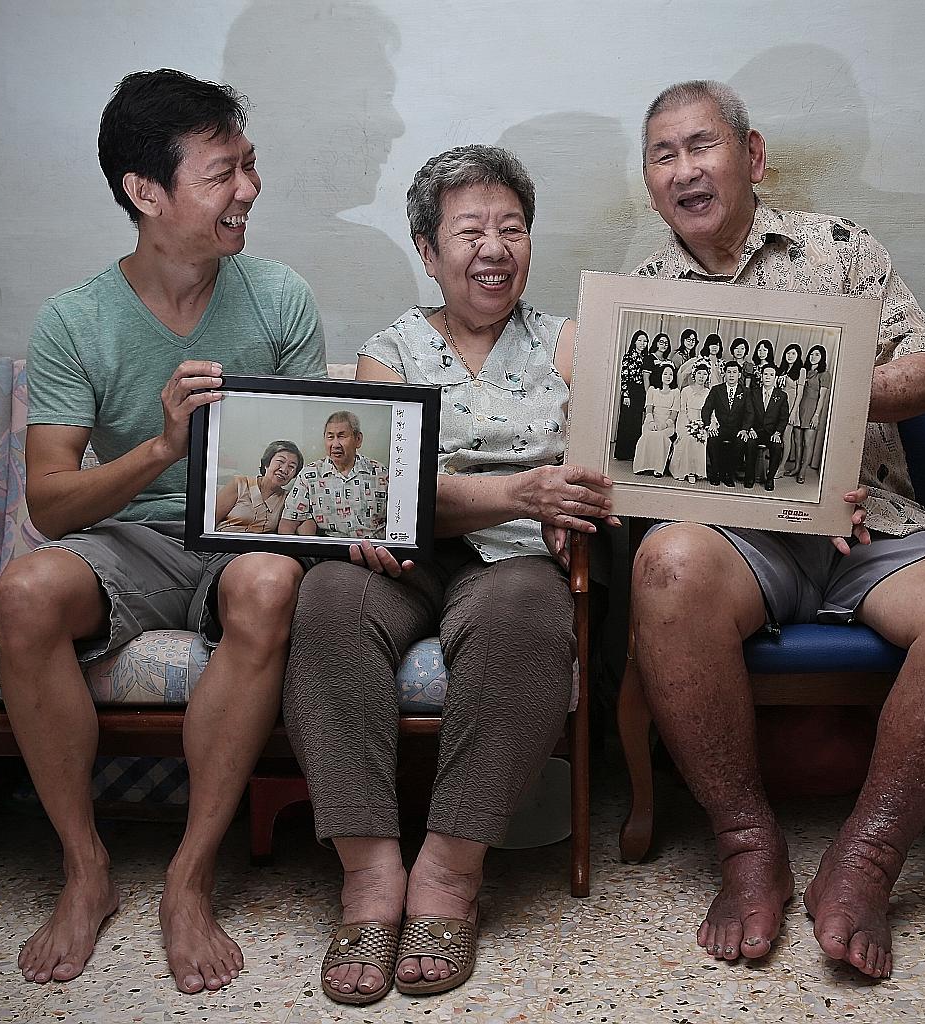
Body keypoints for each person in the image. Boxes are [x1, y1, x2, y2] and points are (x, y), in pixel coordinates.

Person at [631, 79, 925, 980]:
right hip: (736, 541)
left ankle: (869, 855)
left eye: (702, 145)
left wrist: (838, 393)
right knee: (664, 564)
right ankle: (746, 845)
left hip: (870, 523)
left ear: (753, 156)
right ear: (649, 184)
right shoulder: (642, 297)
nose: (685, 170)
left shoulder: (837, 247)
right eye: (663, 155)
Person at [0, 69, 325, 993]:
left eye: (249, 165)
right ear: (146, 192)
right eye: (222, 174)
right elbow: (50, 505)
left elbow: (309, 475)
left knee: (270, 582)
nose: (249, 189)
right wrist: (162, 448)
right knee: (25, 591)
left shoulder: (280, 297)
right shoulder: (75, 320)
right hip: (130, 540)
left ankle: (189, 876)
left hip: (243, 538)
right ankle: (85, 867)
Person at [283, 144, 614, 1006]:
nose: (494, 248)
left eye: (513, 229)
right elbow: (392, 491)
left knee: (524, 614)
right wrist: (518, 488)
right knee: (328, 598)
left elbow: (603, 465)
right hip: (406, 556)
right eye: (470, 232)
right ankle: (368, 876)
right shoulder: (388, 351)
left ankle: (447, 876)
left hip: (521, 557)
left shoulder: (569, 344)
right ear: (429, 252)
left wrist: (573, 499)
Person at [278, 410, 389, 540]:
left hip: (375, 547)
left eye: (341, 436)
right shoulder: (310, 475)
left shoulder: (380, 472)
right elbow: (288, 523)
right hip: (331, 549)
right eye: (330, 437)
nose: (335, 445)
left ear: (358, 440)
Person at [214, 439, 303, 533]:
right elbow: (210, 520)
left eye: (291, 467)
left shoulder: (288, 499)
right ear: (267, 463)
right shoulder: (239, 484)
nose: (284, 470)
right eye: (280, 461)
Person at [736, 363, 790, 491]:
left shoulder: (781, 395)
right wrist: (750, 429)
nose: (768, 377)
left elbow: (784, 418)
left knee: (777, 447)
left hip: (771, 433)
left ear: (775, 377)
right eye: (765, 374)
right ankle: (750, 477)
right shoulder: (753, 393)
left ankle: (770, 479)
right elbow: (747, 413)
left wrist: (777, 433)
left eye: (771, 375)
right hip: (755, 431)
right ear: (761, 376)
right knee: (749, 443)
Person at [786, 344, 830, 483]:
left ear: (822, 357)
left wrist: (816, 416)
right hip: (799, 408)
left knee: (808, 442)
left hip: (812, 411)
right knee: (797, 441)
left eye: (817, 354)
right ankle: (796, 467)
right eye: (811, 354)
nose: (813, 357)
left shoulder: (824, 374)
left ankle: (803, 471)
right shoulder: (803, 371)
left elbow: (822, 398)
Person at [701, 360, 747, 486]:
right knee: (713, 440)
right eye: (729, 372)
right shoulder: (716, 390)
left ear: (739, 375)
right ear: (724, 374)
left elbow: (750, 413)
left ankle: (728, 474)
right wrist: (708, 425)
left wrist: (745, 429)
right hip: (719, 427)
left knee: (741, 442)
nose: (731, 375)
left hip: (737, 429)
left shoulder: (746, 391)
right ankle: (715, 473)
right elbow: (706, 409)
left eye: (734, 372)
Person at [669, 359, 713, 482]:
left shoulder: (708, 392)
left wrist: (705, 425)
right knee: (688, 438)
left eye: (704, 374)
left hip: (702, 423)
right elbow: (683, 410)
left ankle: (695, 471)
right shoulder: (686, 390)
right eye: (699, 373)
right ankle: (685, 471)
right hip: (686, 422)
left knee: (700, 438)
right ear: (694, 374)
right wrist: (688, 426)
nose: (701, 376)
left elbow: (711, 412)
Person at [633, 361, 678, 476]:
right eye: (665, 374)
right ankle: (642, 466)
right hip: (652, 420)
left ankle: (658, 468)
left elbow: (674, 414)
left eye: (671, 374)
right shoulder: (652, 390)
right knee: (647, 435)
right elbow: (649, 409)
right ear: (660, 374)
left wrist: (664, 425)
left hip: (667, 423)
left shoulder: (675, 392)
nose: (668, 377)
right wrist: (651, 422)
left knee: (660, 436)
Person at [615, 329, 651, 461]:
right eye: (640, 340)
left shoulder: (647, 358)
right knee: (627, 421)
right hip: (630, 391)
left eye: (645, 341)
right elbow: (624, 377)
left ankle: (634, 452)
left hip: (641, 392)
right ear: (634, 342)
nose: (642, 343)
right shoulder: (628, 356)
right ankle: (623, 453)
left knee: (636, 422)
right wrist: (626, 395)